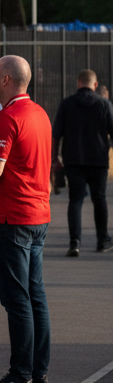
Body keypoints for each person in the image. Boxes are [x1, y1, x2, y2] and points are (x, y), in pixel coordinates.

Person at [0, 55, 52, 383]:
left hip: (12, 218)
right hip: (37, 214)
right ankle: (38, 373)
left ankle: (20, 376)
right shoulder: (39, 113)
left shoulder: (8, 118)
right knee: (35, 296)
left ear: (6, 79)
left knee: (17, 299)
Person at [52, 69, 113, 255]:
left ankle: (74, 242)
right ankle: (102, 240)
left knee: (76, 199)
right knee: (99, 199)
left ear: (78, 83)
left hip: (73, 159)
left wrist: (55, 158)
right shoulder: (104, 104)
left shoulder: (67, 104)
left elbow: (56, 134)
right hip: (98, 159)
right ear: (95, 85)